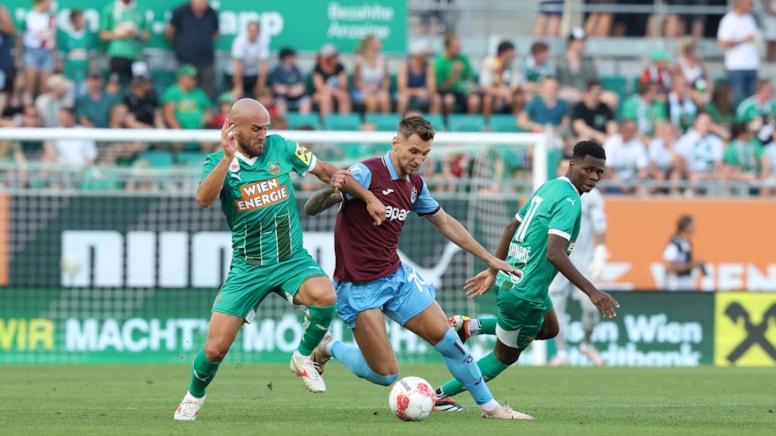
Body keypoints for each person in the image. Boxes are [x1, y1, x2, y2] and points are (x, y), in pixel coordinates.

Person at [303, 115, 534, 420]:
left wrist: (490, 259)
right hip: (358, 287)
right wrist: (336, 189)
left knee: (449, 340)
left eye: (424, 154)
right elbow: (312, 207)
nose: (418, 160)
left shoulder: (415, 184)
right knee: (385, 374)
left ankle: (491, 408)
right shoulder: (366, 172)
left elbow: (446, 223)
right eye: (413, 151)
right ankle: (328, 346)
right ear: (396, 142)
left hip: (397, 279)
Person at [173, 98, 386, 421]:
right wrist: (228, 156)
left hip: (291, 260)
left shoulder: (281, 148)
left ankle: (303, 357)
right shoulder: (218, 162)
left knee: (326, 296)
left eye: (266, 128)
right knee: (215, 349)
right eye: (256, 129)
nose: (262, 134)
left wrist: (367, 196)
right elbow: (203, 199)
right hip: (249, 267)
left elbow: (326, 170)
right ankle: (193, 396)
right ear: (233, 128)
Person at [434, 140, 619, 414]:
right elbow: (555, 254)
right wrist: (592, 291)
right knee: (503, 357)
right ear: (572, 164)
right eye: (588, 169)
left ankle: (470, 326)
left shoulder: (550, 186)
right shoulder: (569, 202)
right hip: (525, 292)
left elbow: (512, 226)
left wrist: (495, 268)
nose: (593, 177)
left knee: (550, 329)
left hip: (517, 279)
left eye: (599, 173)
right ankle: (439, 396)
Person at [547, 160, 608, 366]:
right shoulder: (553, 191)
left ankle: (587, 344)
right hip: (557, 258)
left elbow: (600, 226)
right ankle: (562, 353)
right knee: (556, 307)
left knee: (591, 307)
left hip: (584, 261)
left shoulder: (592, 196)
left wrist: (600, 251)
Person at [165, 0, 219, 99]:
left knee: (206, 91)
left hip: (206, 61)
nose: (204, 2)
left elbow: (215, 33)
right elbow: (170, 31)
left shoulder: (212, 13)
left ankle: (202, 111)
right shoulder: (181, 11)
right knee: (183, 89)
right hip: (185, 59)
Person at [717, 0, 759, 105]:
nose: (751, 4)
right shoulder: (728, 20)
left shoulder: (749, 19)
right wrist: (743, 40)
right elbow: (723, 42)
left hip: (752, 65)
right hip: (736, 66)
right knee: (736, 97)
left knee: (753, 99)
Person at [99, 0, 150, 84]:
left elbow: (147, 36)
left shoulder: (141, 9)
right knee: (114, 84)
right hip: (117, 54)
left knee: (140, 86)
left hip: (137, 56)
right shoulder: (109, 9)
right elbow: (103, 35)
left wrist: (136, 33)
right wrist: (119, 35)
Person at [17, 0, 56, 99]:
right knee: (29, 88)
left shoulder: (51, 17)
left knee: (45, 90)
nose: (51, 3)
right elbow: (19, 37)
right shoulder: (27, 15)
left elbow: (54, 38)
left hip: (47, 53)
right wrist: (18, 58)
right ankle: (28, 112)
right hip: (31, 52)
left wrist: (55, 57)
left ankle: (42, 113)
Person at [226, 21, 270, 100]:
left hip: (253, 74)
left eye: (255, 31)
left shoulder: (263, 41)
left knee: (262, 95)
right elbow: (237, 67)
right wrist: (238, 87)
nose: (253, 34)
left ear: (258, 32)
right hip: (238, 74)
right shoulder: (239, 42)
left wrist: (260, 86)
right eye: (251, 31)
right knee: (235, 95)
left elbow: (263, 68)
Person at [662, 215, 704, 291]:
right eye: (692, 225)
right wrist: (690, 265)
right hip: (675, 284)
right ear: (685, 226)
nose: (695, 227)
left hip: (686, 283)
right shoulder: (674, 244)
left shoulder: (687, 243)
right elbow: (668, 267)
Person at [351, 35, 391, 114]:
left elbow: (386, 79)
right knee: (372, 101)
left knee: (385, 98)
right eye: (377, 41)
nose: (380, 43)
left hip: (377, 90)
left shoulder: (383, 60)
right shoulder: (359, 60)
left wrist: (384, 89)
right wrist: (367, 89)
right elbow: (356, 82)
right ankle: (369, 124)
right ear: (370, 44)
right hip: (361, 91)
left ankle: (386, 124)